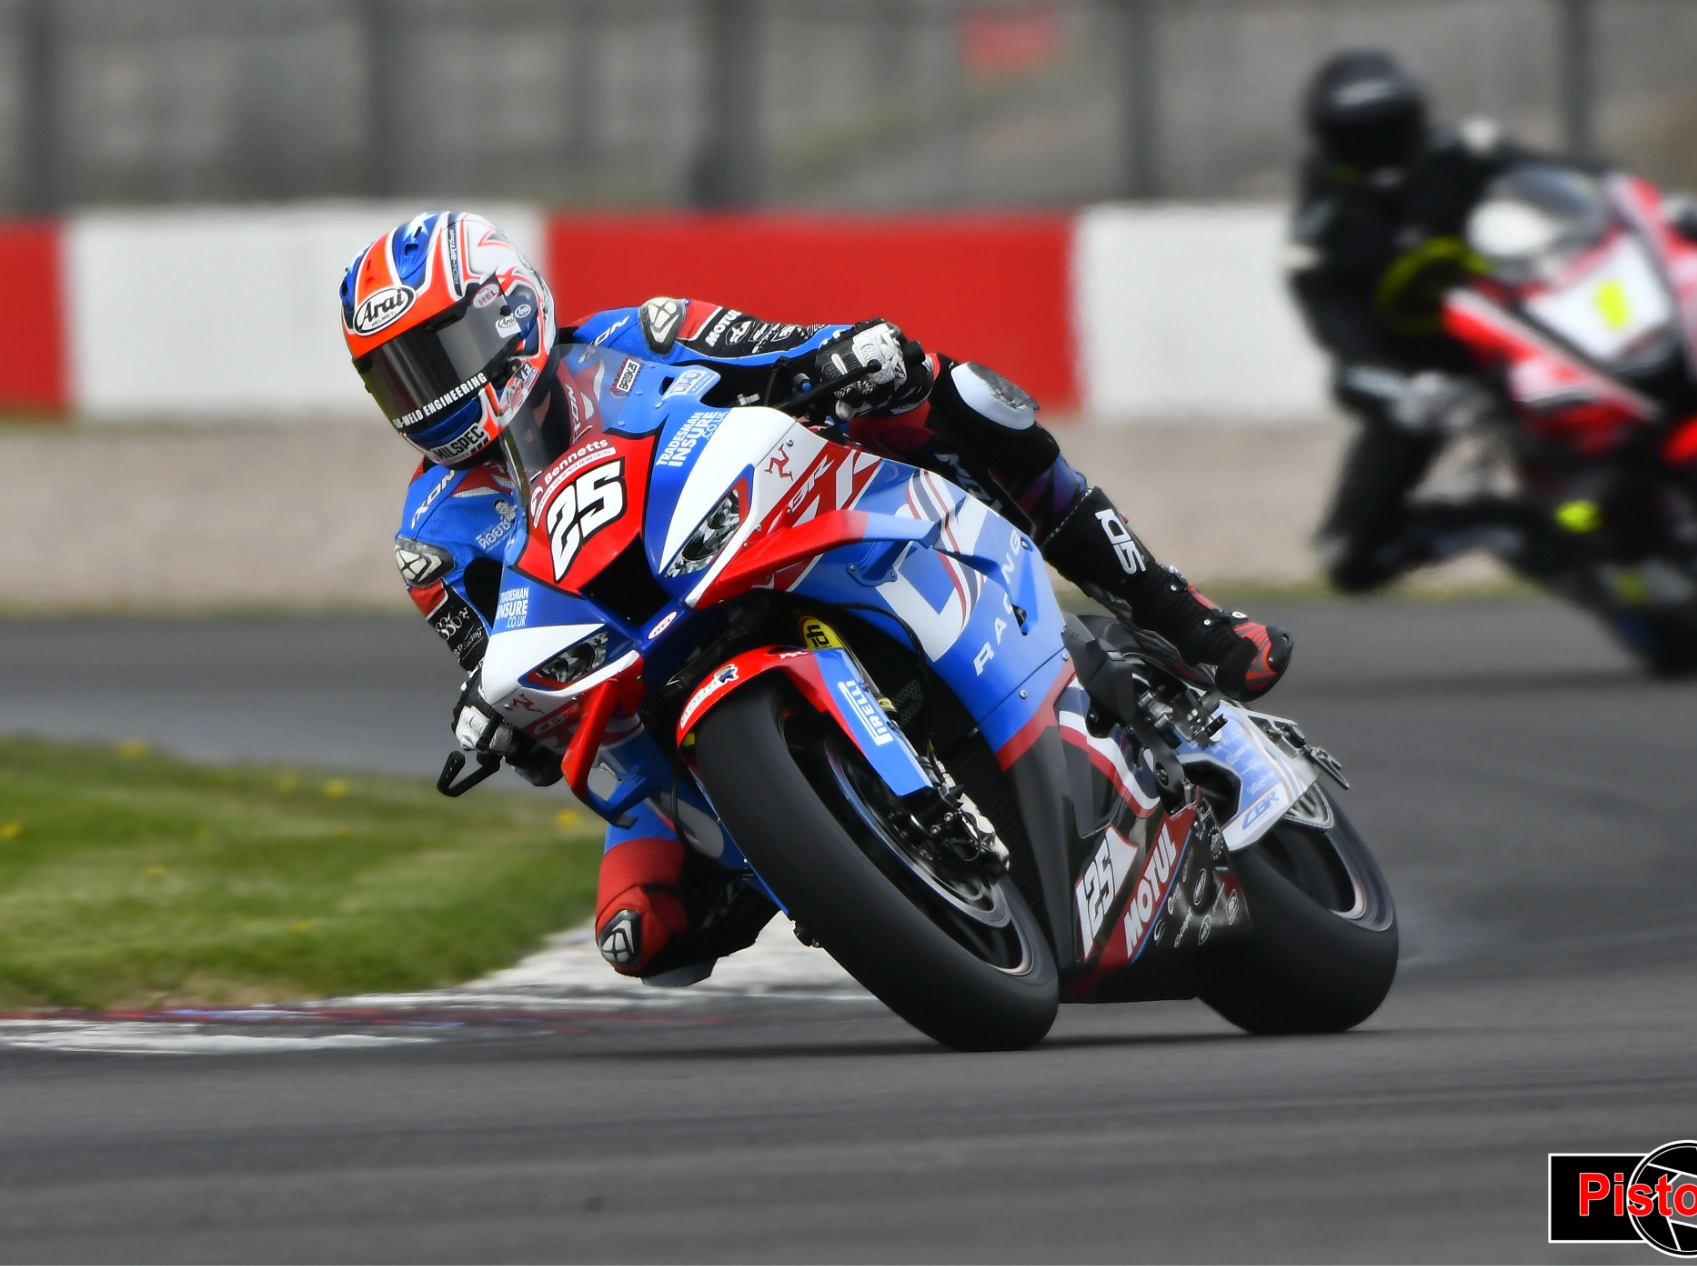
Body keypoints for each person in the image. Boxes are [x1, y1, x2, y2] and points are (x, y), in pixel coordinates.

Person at [342, 211, 1292, 979]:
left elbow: (789, 349)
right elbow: (498, 668)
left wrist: (844, 363)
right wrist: (506, 720)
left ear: (508, 309)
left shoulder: (643, 336)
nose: (429, 392)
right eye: (398, 376)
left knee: (957, 398)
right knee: (642, 931)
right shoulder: (432, 540)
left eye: (442, 350)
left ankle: (1180, 614)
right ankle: (823, 860)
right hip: (653, 685)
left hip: (780, 537)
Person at [1290, 50, 1697, 592]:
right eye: (1363, 136)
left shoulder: (1465, 149)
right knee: (1351, 559)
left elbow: (1579, 180)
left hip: (1532, 313)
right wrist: (1399, 389)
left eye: (1392, 127)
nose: (1383, 146)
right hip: (1441, 370)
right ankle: (1492, 526)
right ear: (1333, 141)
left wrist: (1672, 210)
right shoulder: (1321, 236)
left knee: (1672, 318)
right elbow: (1343, 344)